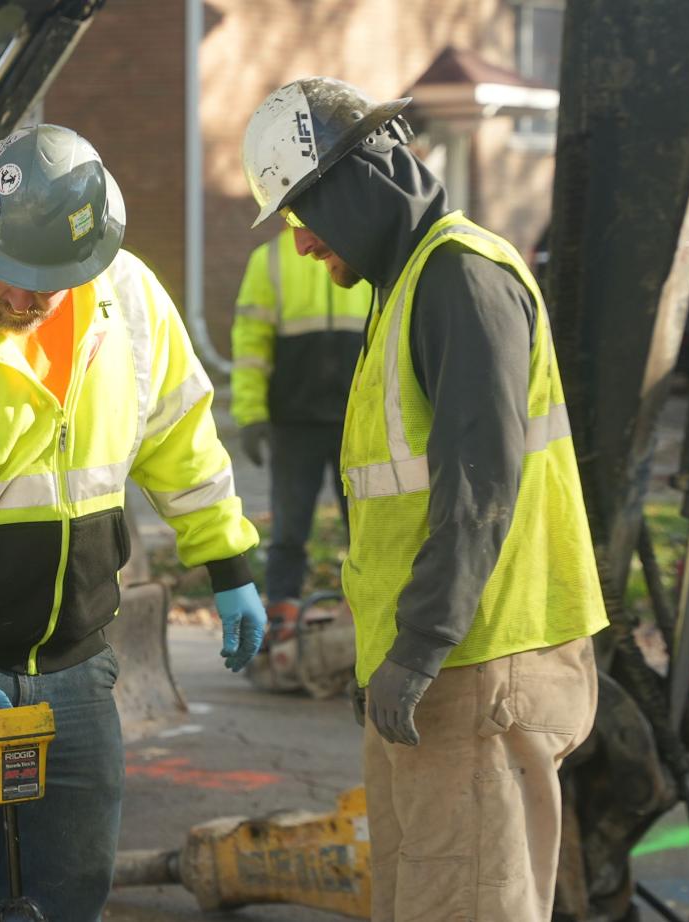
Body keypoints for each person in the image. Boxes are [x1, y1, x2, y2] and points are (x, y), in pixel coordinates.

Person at [0, 124, 264, 920]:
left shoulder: (127, 303)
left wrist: (228, 560)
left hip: (71, 664)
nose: (28, 298)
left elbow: (179, 435)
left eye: (52, 280)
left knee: (66, 897)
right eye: (11, 274)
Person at [241, 77, 608, 921]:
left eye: (302, 213)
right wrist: (386, 654)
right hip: (441, 660)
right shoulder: (405, 287)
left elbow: (480, 486)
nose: (299, 245)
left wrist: (416, 648)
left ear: (356, 181)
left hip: (479, 660)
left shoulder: (458, 279)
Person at [230, 223, 372, 625]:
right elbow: (250, 343)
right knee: (289, 531)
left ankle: (366, 621)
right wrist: (251, 414)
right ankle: (281, 621)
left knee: (368, 531)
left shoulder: (362, 252)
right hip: (294, 423)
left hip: (358, 421)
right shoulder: (270, 260)